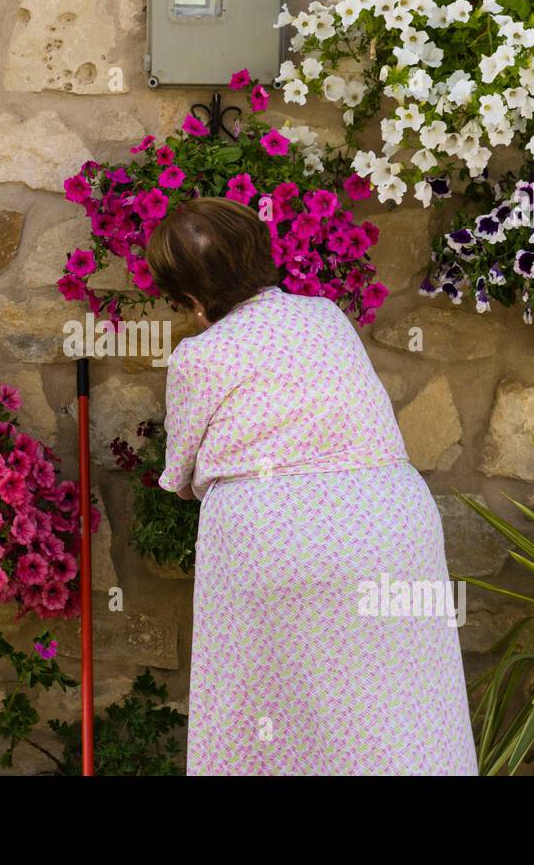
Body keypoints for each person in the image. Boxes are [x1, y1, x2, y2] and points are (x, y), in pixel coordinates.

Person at [146, 196, 478, 775]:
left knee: (272, 715)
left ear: (191, 299)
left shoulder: (198, 357)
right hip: (389, 527)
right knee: (397, 711)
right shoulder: (326, 315)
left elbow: (179, 472)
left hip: (276, 538)